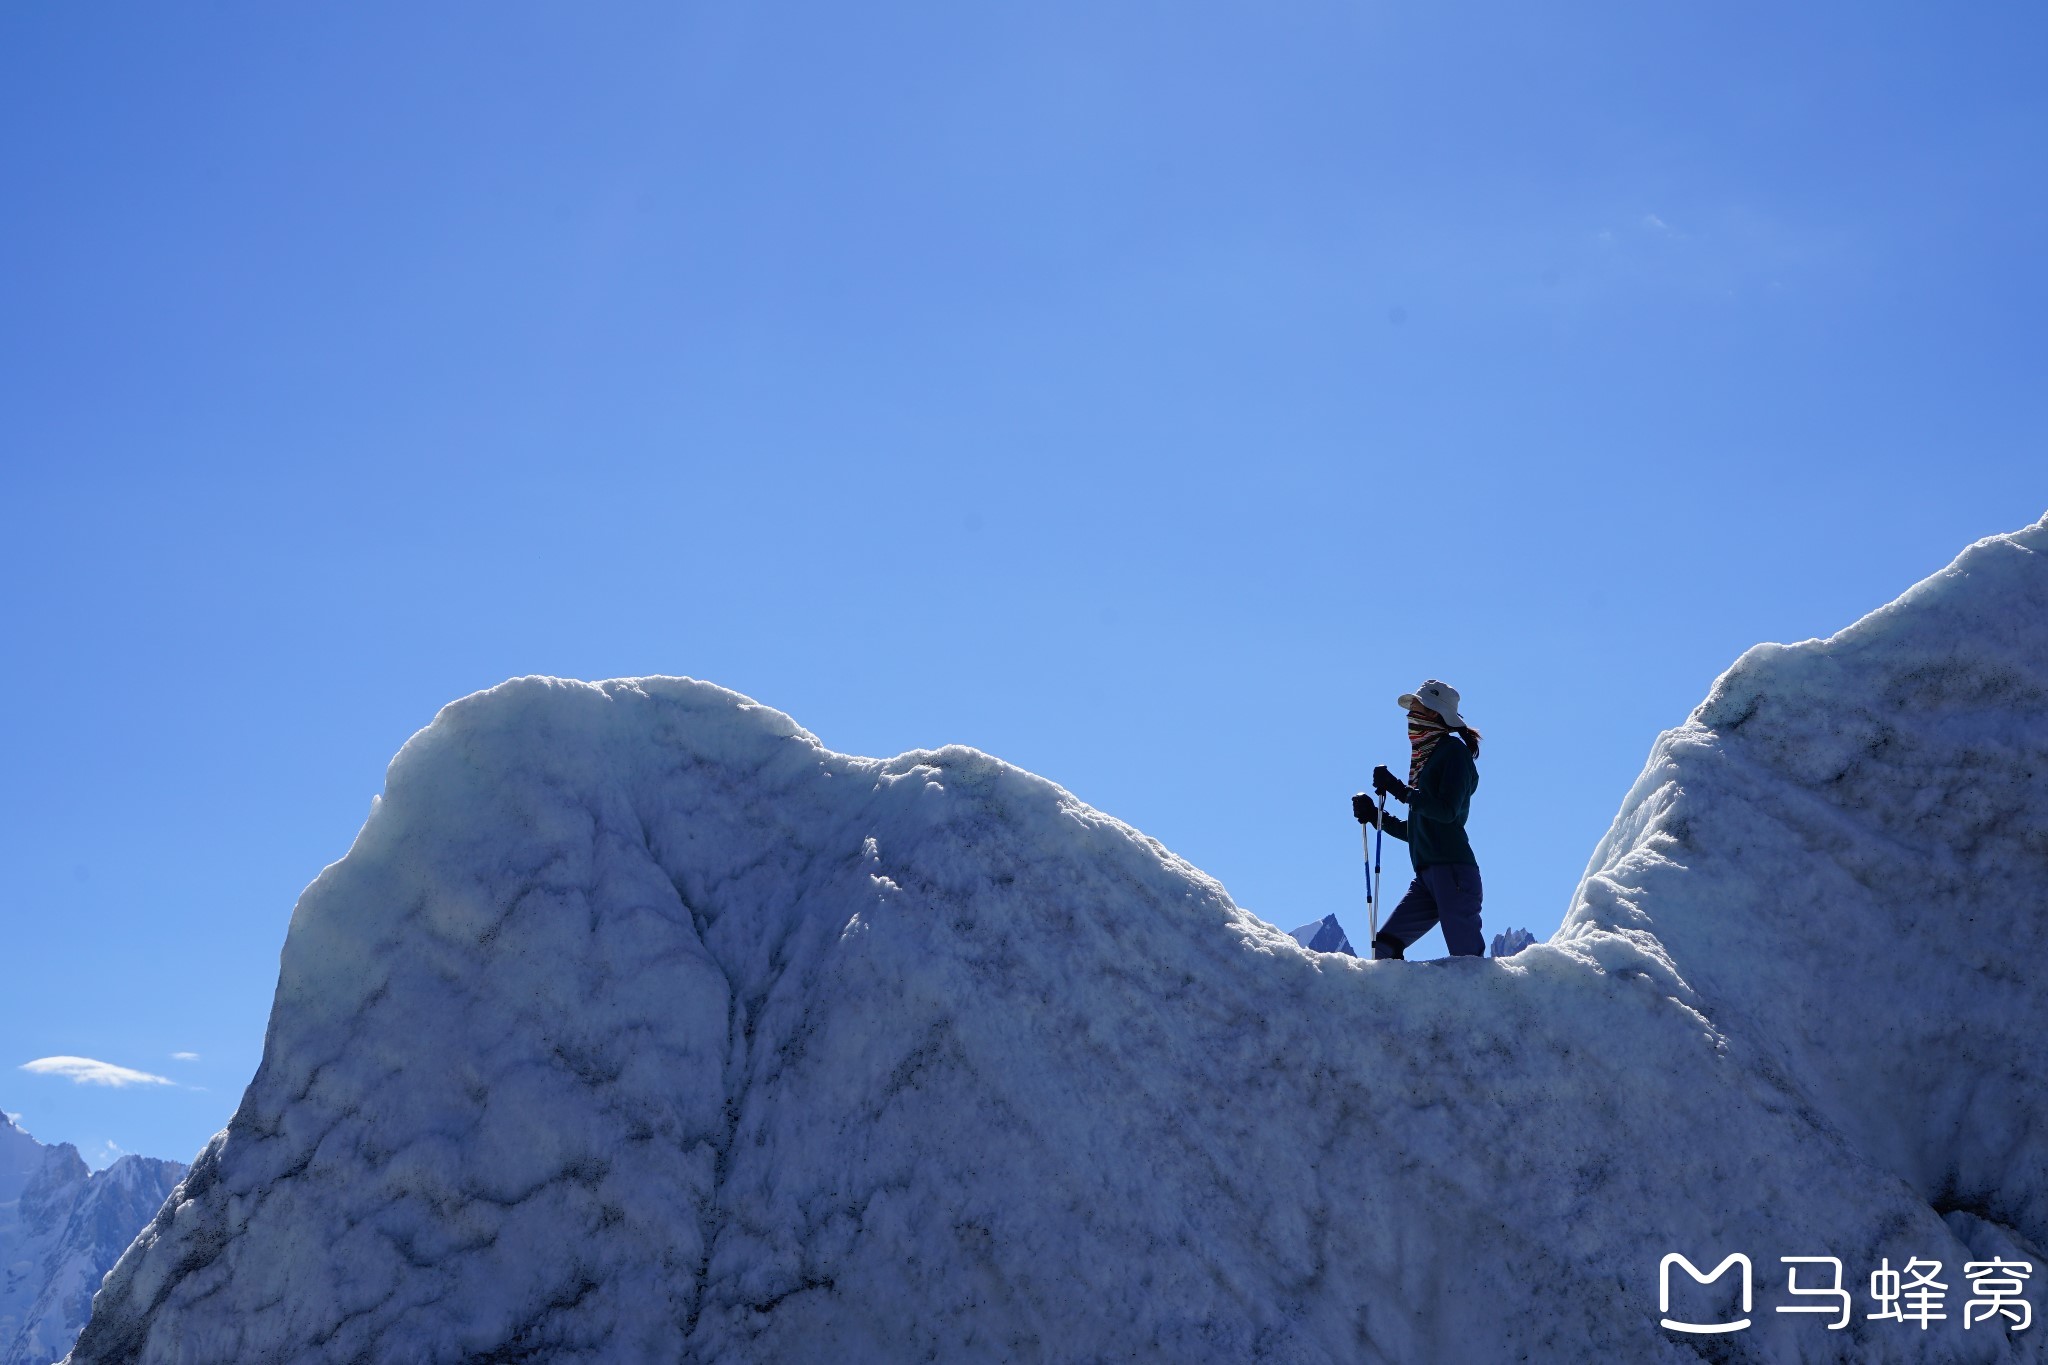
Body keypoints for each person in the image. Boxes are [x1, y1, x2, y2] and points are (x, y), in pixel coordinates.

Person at [1351, 679, 1484, 960]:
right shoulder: (1430, 757)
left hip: (1453, 872)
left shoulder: (1454, 753)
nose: (1410, 715)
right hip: (1428, 876)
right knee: (1384, 947)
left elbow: (1446, 811)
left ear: (1436, 715)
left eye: (1417, 708)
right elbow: (1419, 830)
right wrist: (1378, 818)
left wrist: (1400, 790)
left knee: (1468, 962)